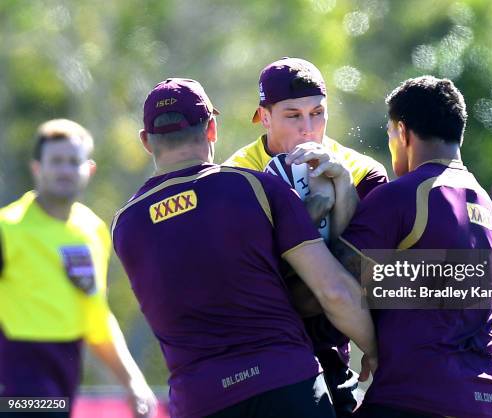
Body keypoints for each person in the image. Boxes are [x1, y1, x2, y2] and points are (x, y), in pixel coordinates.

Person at [112, 78, 377, 418]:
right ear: (212, 129)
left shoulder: (126, 225)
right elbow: (334, 290)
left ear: (147, 142)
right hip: (285, 388)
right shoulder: (256, 186)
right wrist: (374, 349)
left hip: (200, 402)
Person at [333, 76, 492, 418]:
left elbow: (332, 277)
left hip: (416, 398)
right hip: (487, 401)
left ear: (402, 132)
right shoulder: (487, 207)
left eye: (389, 134)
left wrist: (337, 197)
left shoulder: (405, 195)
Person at [224, 57, 388, 417]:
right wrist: (308, 214)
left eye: (318, 112)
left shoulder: (362, 171)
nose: (308, 128)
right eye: (293, 115)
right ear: (264, 117)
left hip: (333, 356)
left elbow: (365, 274)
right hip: (258, 359)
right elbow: (254, 282)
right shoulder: (236, 175)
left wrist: (343, 192)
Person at [0, 119, 157, 417]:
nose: (64, 170)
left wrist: (132, 381)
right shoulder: (8, 228)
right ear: (37, 168)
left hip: (65, 375)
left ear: (89, 169)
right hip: (15, 379)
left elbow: (96, 316)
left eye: (73, 161)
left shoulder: (92, 230)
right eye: (56, 161)